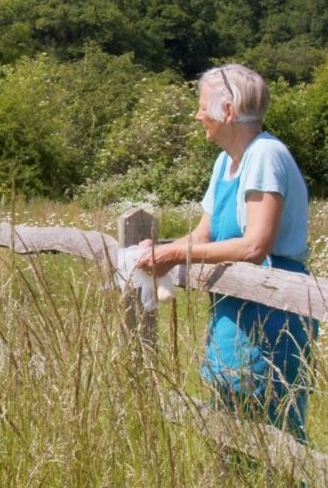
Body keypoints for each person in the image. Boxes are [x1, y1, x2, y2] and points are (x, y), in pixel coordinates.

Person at [135, 63, 317, 441]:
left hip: (273, 312)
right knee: (231, 428)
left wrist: (170, 258)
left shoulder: (265, 154)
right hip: (234, 312)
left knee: (275, 432)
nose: (197, 114)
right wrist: (160, 249)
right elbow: (202, 236)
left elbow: (255, 245)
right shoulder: (225, 162)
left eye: (203, 106)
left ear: (228, 111)